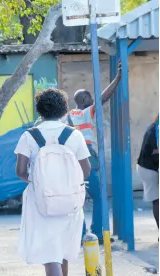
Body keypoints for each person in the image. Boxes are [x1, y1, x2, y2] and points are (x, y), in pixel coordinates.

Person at [15, 89, 91, 276]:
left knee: (51, 257)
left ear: (39, 111)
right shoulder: (74, 135)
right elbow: (86, 170)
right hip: (70, 203)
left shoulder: (30, 136)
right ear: (64, 110)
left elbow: (20, 171)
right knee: (64, 254)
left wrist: (40, 180)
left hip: (42, 203)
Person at [68, 65, 122, 243]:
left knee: (78, 198)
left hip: (70, 161)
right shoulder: (85, 112)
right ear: (84, 100)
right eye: (90, 98)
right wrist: (117, 79)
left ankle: (81, 233)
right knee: (99, 196)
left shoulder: (68, 115)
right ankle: (97, 233)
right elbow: (103, 98)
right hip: (85, 159)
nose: (93, 100)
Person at [137, 115, 159, 229]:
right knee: (157, 200)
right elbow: (148, 150)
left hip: (153, 167)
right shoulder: (153, 130)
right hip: (148, 169)